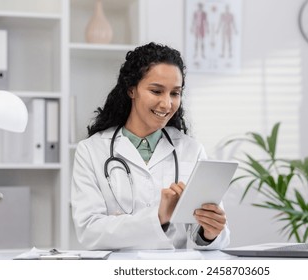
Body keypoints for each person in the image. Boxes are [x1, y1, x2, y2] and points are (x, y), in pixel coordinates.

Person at [71, 42, 230, 250]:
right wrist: (158, 216)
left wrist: (209, 233)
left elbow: (205, 235)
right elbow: (89, 232)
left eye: (175, 93)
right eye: (156, 91)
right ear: (131, 90)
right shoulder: (91, 151)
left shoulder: (192, 150)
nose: (167, 104)